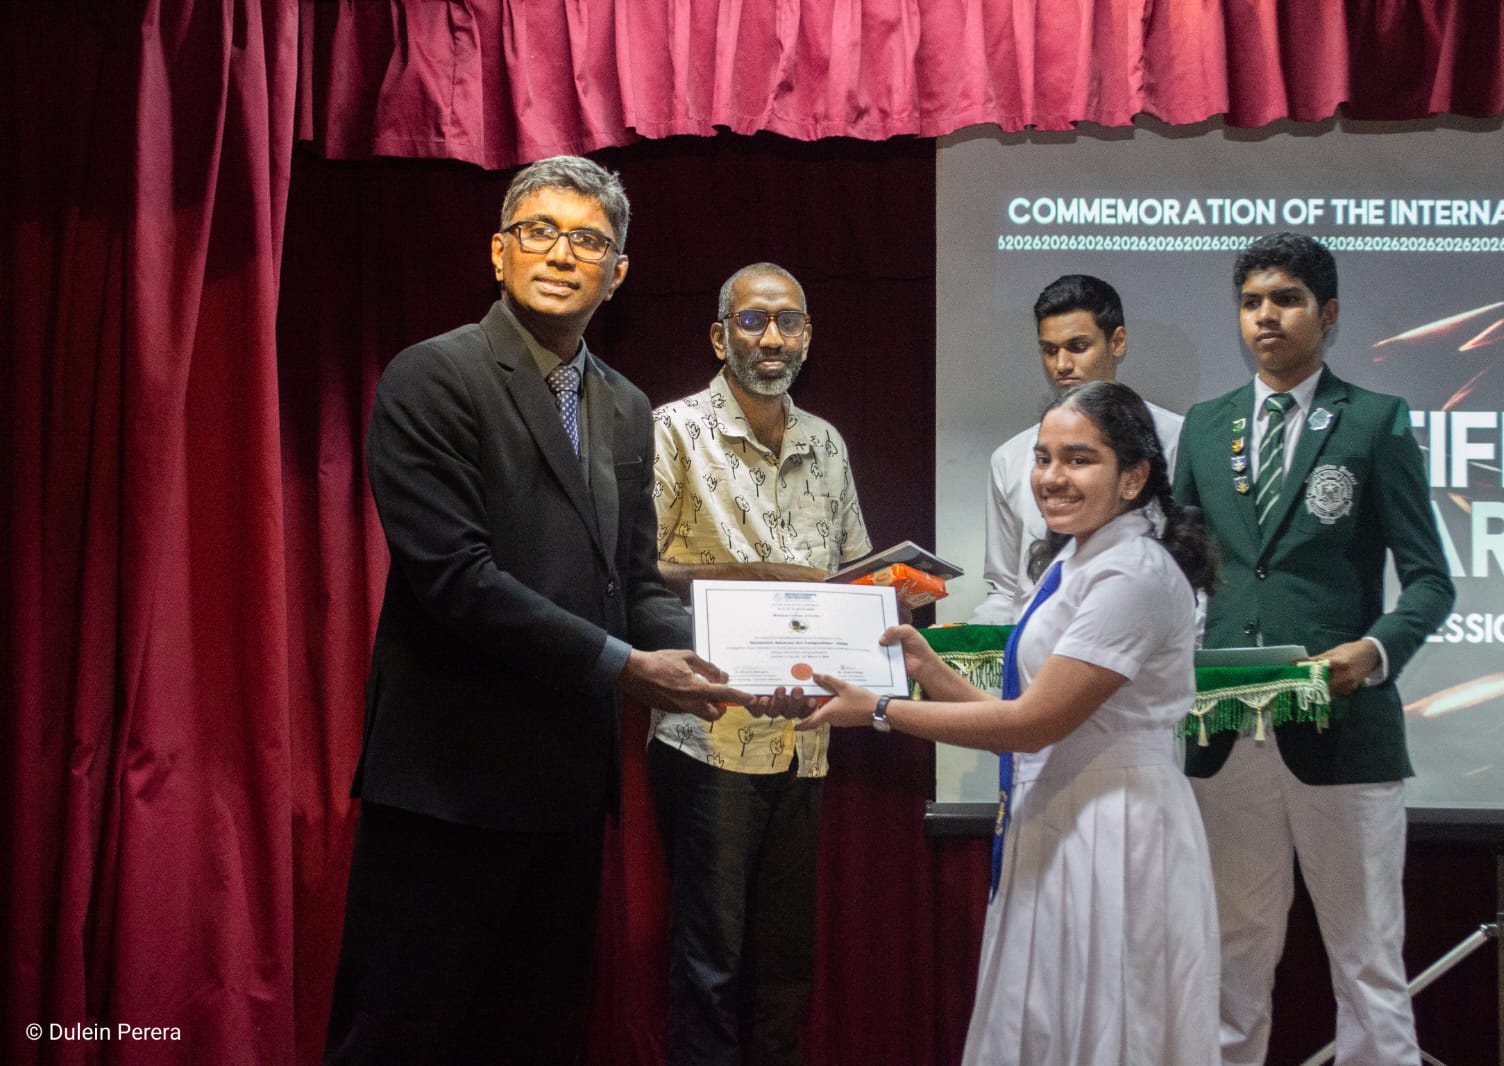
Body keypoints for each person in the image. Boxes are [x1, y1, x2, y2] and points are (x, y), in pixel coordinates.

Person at [324, 156, 756, 1066]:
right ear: (499, 252)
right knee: (399, 1038)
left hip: (565, 796)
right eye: (539, 232)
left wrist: (740, 665)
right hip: (445, 790)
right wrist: (627, 669)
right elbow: (457, 579)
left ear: (618, 272)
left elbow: (634, 585)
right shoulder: (433, 375)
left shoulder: (624, 406)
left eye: (589, 241)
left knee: (536, 1039)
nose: (561, 254)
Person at [803, 380, 1221, 1066]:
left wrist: (879, 710)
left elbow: (1030, 725)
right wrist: (929, 668)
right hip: (1062, 813)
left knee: (1108, 1028)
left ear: (1133, 477)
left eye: (1079, 459)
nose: (1052, 477)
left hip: (1115, 831)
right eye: (1043, 457)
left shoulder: (1134, 573)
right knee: (1050, 1023)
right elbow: (1033, 715)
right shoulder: (1080, 556)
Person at [1172, 232, 1455, 1066]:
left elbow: (1430, 581)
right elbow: (1177, 571)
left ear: (1326, 314)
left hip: (1343, 728)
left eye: (1286, 299)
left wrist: (1373, 650)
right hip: (1225, 729)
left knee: (1366, 960)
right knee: (1230, 953)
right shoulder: (1204, 427)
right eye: (1251, 301)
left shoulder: (1373, 420)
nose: (1266, 316)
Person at [648, 262, 871, 1066]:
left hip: (804, 735)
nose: (770, 337)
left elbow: (851, 570)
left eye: (787, 322)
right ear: (720, 337)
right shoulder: (673, 429)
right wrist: (759, 578)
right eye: (752, 321)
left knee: (783, 962)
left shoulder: (825, 442)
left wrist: (892, 594)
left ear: (807, 336)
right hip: (708, 732)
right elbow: (639, 569)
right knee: (710, 960)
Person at [969, 274, 1184, 624]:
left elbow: (1192, 568)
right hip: (1036, 641)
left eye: (1078, 346)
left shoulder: (1176, 439)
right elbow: (1006, 591)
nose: (1062, 366)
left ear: (1117, 342)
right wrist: (957, 641)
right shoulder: (1009, 458)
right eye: (1050, 350)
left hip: (1139, 633)